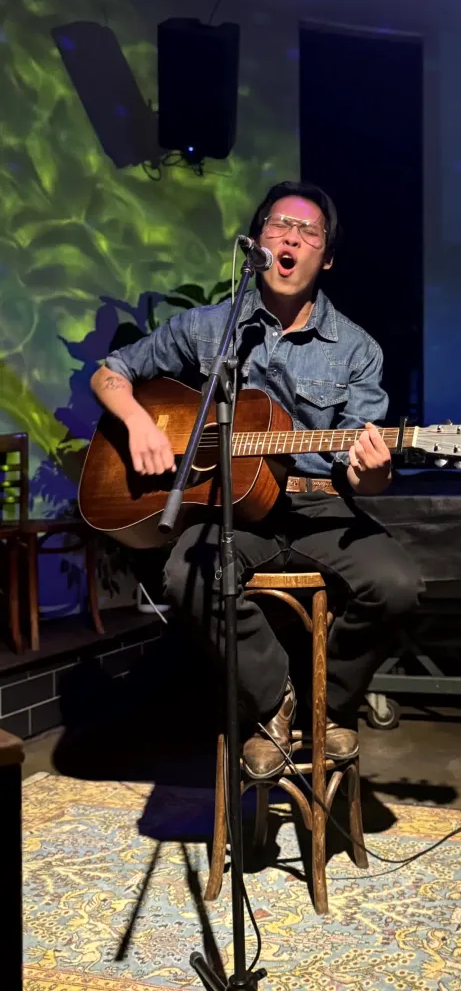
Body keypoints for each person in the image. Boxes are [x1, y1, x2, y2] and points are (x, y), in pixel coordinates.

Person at [90, 180, 424, 778]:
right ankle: (275, 705)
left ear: (326, 258)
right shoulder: (209, 330)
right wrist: (140, 424)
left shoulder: (357, 350)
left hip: (321, 508)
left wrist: (373, 471)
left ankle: (330, 708)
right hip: (231, 511)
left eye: (309, 232)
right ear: (257, 242)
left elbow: (366, 477)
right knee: (183, 576)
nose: (291, 237)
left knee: (396, 584)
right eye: (278, 225)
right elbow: (111, 372)